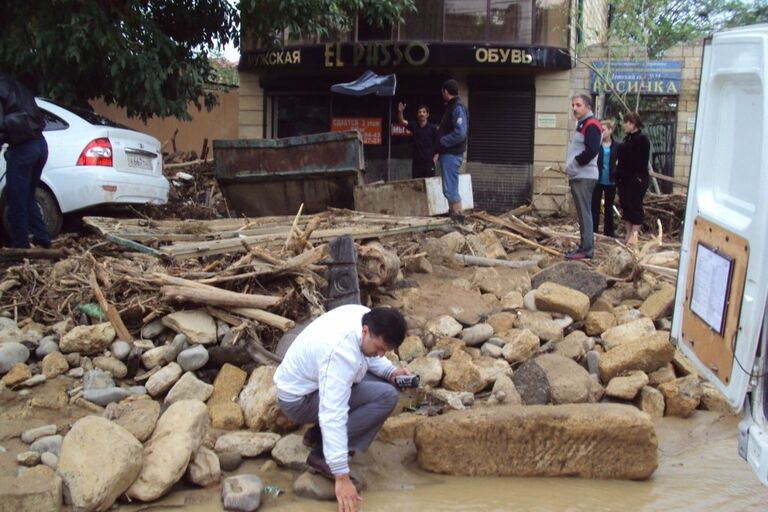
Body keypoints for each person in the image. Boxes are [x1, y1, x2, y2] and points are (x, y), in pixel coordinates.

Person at [274, 305, 410, 512]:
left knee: (383, 381)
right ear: (365, 331)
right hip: (299, 401)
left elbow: (367, 357)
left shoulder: (361, 315)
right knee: (386, 396)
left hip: (310, 384)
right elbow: (332, 412)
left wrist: (391, 372)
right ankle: (321, 456)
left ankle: (318, 435)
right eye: (379, 348)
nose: (381, 354)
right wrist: (341, 475)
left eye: (386, 351)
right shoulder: (340, 352)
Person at [0, 72, 51, 249]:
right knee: (27, 196)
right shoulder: (16, 85)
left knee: (16, 199)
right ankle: (42, 238)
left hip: (23, 148)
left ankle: (20, 246)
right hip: (40, 145)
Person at [564, 93, 602, 260]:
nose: (574, 108)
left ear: (588, 107)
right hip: (580, 175)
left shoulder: (591, 124)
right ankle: (584, 246)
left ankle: (587, 249)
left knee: (585, 212)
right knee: (582, 212)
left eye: (578, 105)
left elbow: (592, 150)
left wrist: (575, 164)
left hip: (583, 175)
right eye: (573, 105)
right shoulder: (583, 124)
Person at [615, 111, 652, 246]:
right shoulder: (626, 139)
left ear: (634, 123)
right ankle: (628, 233)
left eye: (627, 122)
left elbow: (641, 161)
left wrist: (638, 178)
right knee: (626, 206)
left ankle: (634, 235)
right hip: (624, 179)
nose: (625, 125)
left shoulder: (642, 139)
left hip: (636, 179)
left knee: (634, 205)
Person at [437, 78, 468, 223]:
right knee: (448, 189)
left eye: (442, 91)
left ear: (445, 91)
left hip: (452, 154)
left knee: (451, 189)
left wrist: (443, 140)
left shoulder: (457, 107)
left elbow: (460, 133)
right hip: (448, 154)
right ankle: (454, 219)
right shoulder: (452, 106)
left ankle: (459, 221)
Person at [590, 119, 619, 238]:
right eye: (600, 130)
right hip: (597, 179)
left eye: (604, 130)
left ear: (610, 130)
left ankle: (609, 231)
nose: (602, 132)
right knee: (595, 205)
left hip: (611, 180)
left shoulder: (617, 145)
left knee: (609, 206)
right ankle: (594, 230)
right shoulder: (596, 144)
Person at [397, 102, 439, 179]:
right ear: (417, 115)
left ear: (427, 115)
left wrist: (434, 160)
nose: (421, 114)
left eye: (423, 112)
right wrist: (400, 111)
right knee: (417, 186)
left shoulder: (433, 128)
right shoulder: (414, 126)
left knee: (429, 185)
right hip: (417, 163)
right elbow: (402, 121)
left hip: (429, 163)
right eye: (419, 112)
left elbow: (438, 145)